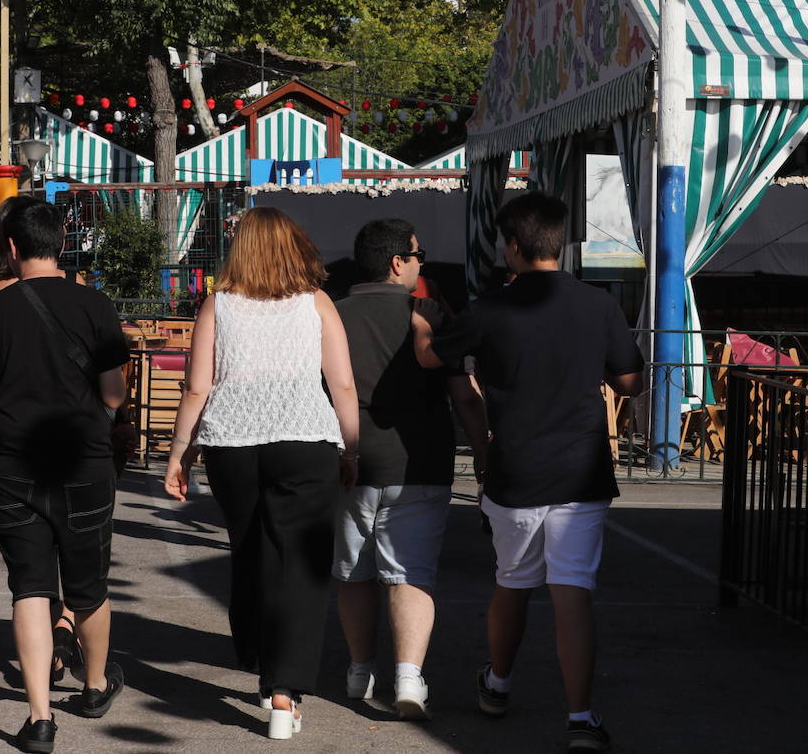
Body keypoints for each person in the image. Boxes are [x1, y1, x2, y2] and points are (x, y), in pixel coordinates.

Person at [410, 192, 644, 754]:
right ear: (558, 243)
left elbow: (429, 359)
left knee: (512, 584)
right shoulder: (598, 305)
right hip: (583, 468)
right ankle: (581, 718)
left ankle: (498, 684)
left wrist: (423, 323)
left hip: (515, 468)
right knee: (574, 593)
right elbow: (632, 382)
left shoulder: (490, 309)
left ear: (513, 246)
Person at [163, 206, 359, 741]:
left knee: (251, 551)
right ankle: (284, 691)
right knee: (301, 563)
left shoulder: (217, 305)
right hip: (305, 438)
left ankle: (256, 656)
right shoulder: (316, 303)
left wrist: (181, 452)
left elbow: (197, 387)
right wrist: (352, 449)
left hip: (233, 442)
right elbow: (341, 384)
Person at [0, 197, 129, 754]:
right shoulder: (97, 305)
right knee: (88, 586)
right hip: (83, 461)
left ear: (11, 248)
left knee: (30, 587)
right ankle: (94, 685)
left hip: (12, 465)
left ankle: (38, 719)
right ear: (62, 243)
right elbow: (114, 393)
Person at [333, 220, 488, 719]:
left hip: (346, 463)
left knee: (353, 573)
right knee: (410, 575)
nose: (422, 264)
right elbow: (464, 396)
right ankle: (407, 678)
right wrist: (484, 453)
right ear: (398, 262)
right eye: (419, 255)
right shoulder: (429, 316)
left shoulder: (331, 316)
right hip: (419, 460)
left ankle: (359, 671)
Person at [0, 199, 90, 685]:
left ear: (9, 242)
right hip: (78, 446)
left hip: (15, 447)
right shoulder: (81, 293)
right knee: (81, 556)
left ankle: (40, 700)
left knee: (31, 574)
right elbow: (110, 384)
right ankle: (67, 629)